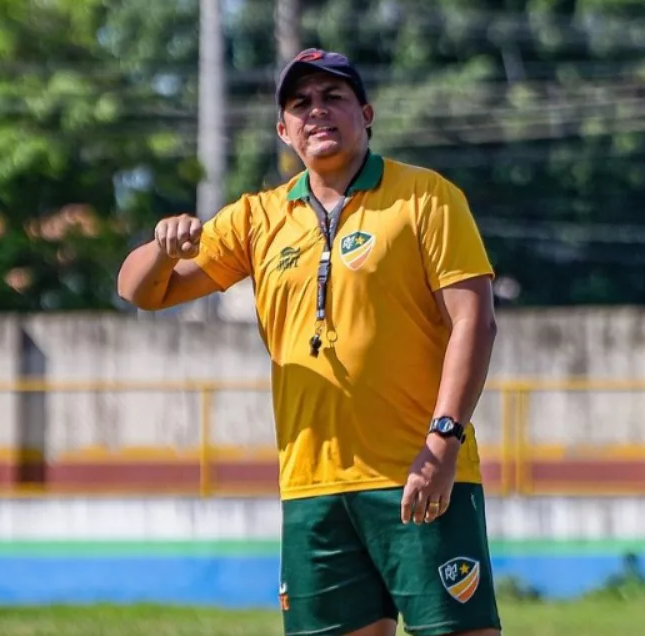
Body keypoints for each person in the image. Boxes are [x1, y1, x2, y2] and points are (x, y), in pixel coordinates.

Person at [117, 48, 502, 636]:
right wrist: (162, 247)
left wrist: (443, 442)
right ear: (283, 129)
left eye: (333, 98)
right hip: (312, 487)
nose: (316, 112)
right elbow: (141, 290)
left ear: (366, 113)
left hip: (417, 472)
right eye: (301, 104)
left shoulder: (425, 197)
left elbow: (475, 320)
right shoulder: (258, 217)